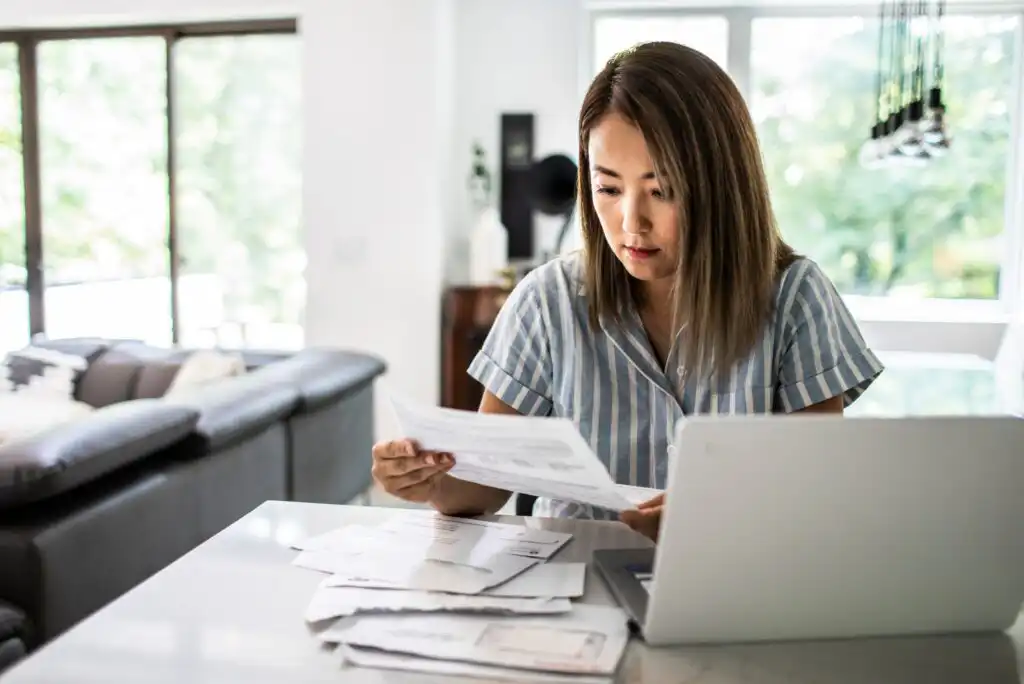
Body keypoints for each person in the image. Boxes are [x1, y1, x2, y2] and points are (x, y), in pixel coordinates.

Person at [371, 41, 884, 541]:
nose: (630, 222)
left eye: (662, 191)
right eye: (608, 188)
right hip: (569, 595)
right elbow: (484, 487)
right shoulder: (548, 300)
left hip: (734, 589)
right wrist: (432, 481)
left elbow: (819, 495)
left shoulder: (796, 299)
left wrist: (712, 519)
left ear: (721, 186)